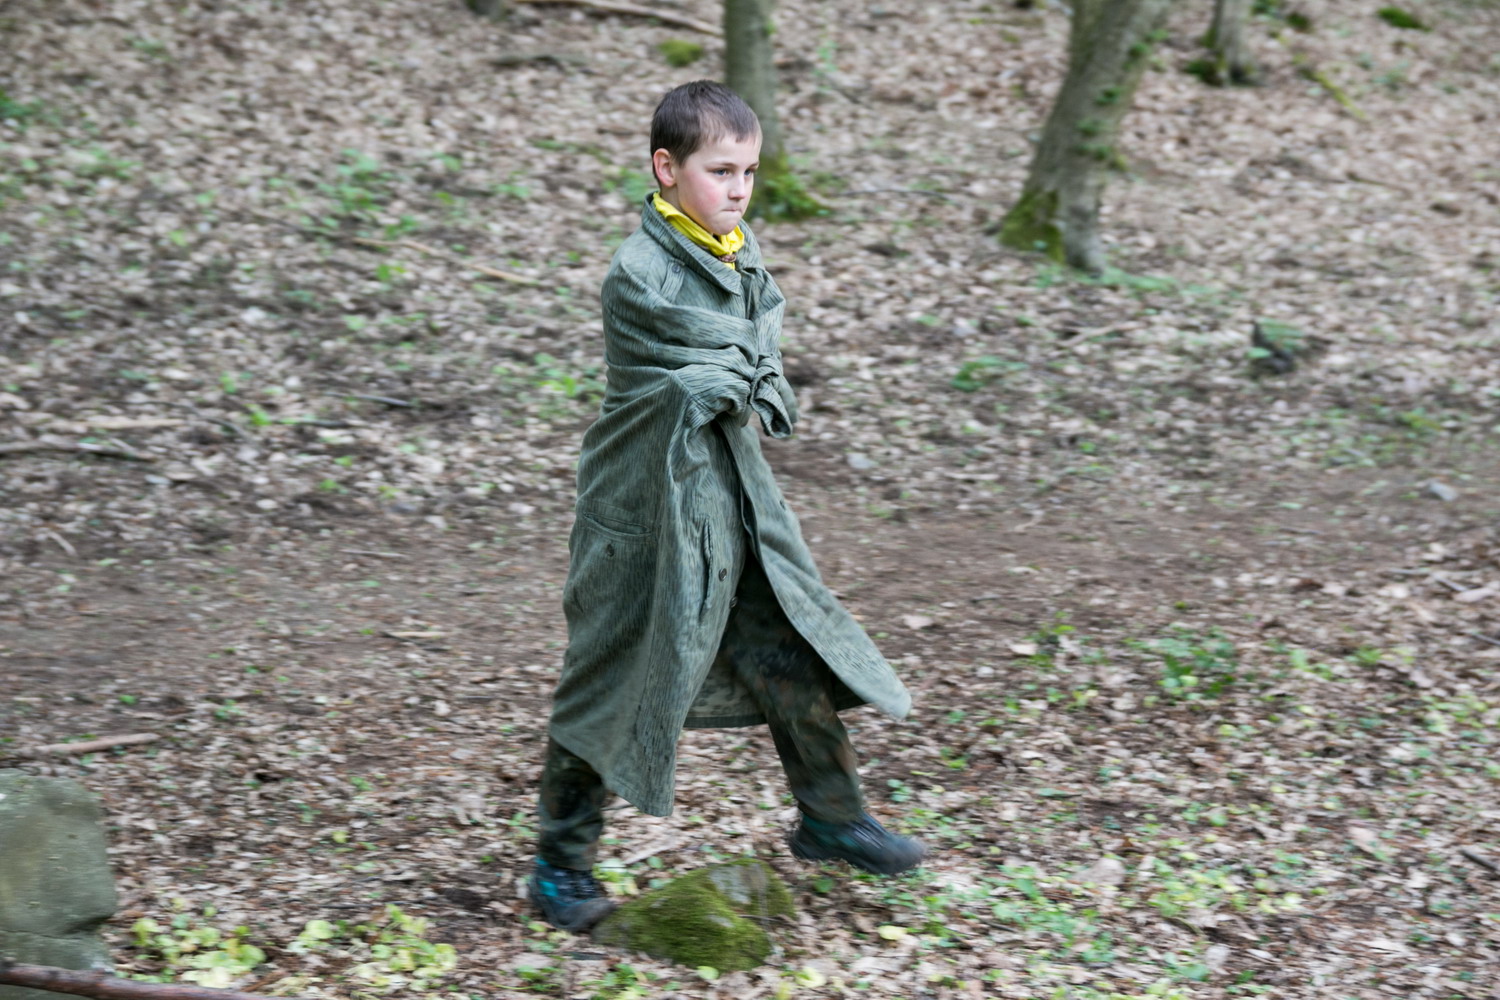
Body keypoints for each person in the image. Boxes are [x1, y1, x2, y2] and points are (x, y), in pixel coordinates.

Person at [527, 80, 925, 933]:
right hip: (645, 508)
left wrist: (750, 369)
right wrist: (749, 368)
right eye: (720, 171)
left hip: (733, 497)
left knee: (789, 645)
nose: (739, 189)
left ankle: (831, 816)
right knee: (612, 678)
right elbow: (718, 367)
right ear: (666, 169)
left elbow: (752, 358)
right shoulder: (638, 274)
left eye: (749, 171)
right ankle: (559, 867)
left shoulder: (740, 253)